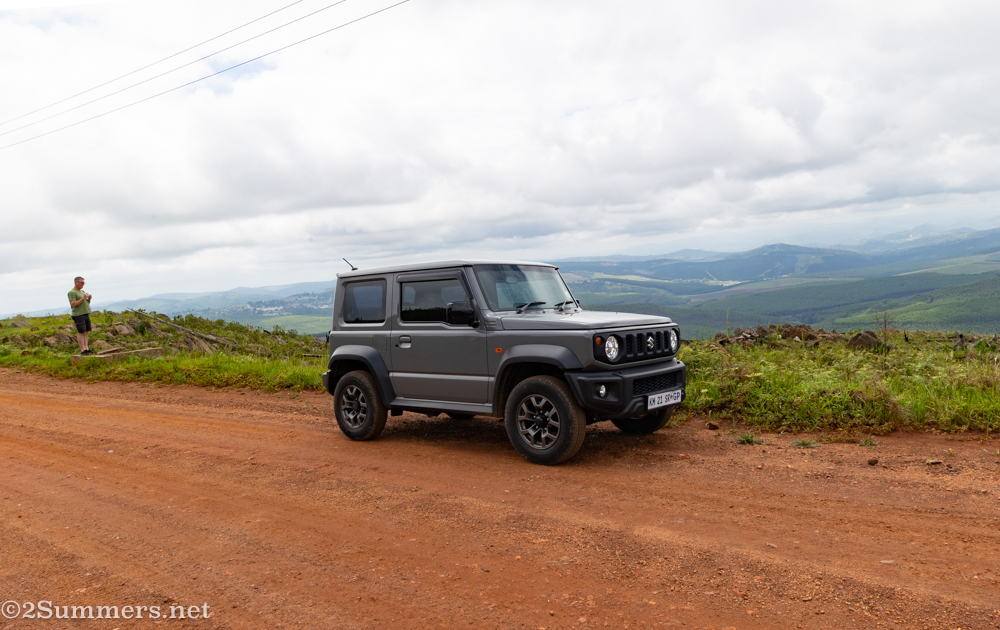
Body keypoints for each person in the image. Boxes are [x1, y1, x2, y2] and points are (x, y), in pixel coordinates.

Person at [67, 276, 93, 355]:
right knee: (81, 332)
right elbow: (73, 304)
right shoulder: (72, 292)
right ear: (76, 283)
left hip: (85, 312)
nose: (83, 284)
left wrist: (88, 299)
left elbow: (85, 303)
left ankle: (86, 348)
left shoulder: (82, 291)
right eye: (81, 283)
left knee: (86, 331)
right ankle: (82, 350)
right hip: (78, 314)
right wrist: (83, 298)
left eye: (83, 283)